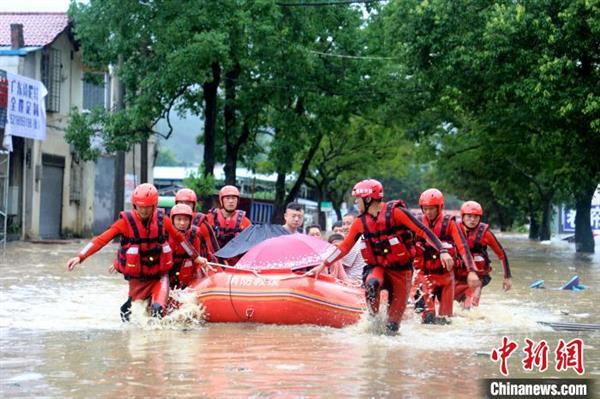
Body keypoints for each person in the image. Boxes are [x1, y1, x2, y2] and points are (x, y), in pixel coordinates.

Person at [311, 179, 453, 335]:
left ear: (368, 199)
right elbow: (344, 247)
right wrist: (323, 264)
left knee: (392, 329)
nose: (357, 204)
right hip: (378, 267)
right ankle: (373, 320)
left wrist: (442, 250)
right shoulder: (360, 222)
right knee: (372, 283)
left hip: (401, 271)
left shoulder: (396, 213)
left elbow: (422, 231)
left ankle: (388, 331)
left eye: (358, 200)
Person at [66, 183, 208, 320]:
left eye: (147, 207)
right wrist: (80, 257)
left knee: (158, 310)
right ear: (135, 205)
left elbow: (180, 239)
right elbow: (101, 239)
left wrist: (196, 257)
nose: (144, 211)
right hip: (138, 279)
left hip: (159, 276)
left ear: (154, 206)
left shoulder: (162, 221)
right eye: (140, 207)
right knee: (127, 312)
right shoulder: (124, 223)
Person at [413, 188, 478, 324]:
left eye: (431, 209)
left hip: (446, 278)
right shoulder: (417, 223)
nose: (428, 212)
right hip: (425, 276)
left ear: (439, 207)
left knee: (445, 321)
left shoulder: (450, 223)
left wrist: (471, 271)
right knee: (428, 319)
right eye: (425, 208)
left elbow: (463, 247)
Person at [455, 201, 512, 308]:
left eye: (476, 217)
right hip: (459, 275)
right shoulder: (454, 229)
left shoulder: (486, 234)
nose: (472, 220)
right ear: (462, 216)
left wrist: (507, 277)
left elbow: (501, 254)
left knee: (470, 307)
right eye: (469, 216)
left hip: (478, 276)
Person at [169, 204, 219, 289]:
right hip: (169, 277)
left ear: (190, 221)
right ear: (172, 220)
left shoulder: (195, 234)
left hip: (189, 277)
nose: (182, 223)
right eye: (179, 219)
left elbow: (205, 255)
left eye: (185, 219)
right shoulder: (165, 235)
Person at [207, 185, 252, 250]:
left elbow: (249, 244)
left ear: (237, 201)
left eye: (234, 198)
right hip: (212, 258)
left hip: (235, 258)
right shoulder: (209, 218)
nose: (231, 201)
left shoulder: (246, 223)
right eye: (227, 198)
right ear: (221, 200)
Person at [339, 212, 366, 280]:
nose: (345, 227)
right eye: (343, 224)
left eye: (348, 224)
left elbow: (341, 263)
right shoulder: (360, 238)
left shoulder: (356, 240)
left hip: (355, 283)